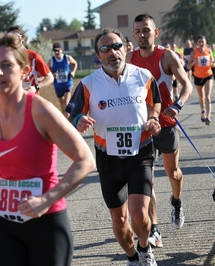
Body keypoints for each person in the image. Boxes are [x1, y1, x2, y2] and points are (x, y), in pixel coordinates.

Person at [0, 32, 95, 266]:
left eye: (7, 65)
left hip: (46, 223)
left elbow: (85, 160)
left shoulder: (41, 111)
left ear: (25, 71)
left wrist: (47, 199)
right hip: (2, 225)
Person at [66, 27, 161, 266]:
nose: (112, 52)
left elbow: (155, 102)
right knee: (119, 220)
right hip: (108, 158)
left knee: (139, 214)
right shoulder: (88, 83)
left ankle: (144, 248)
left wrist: (154, 119)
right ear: (98, 55)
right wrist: (79, 119)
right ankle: (131, 258)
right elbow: (70, 115)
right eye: (105, 49)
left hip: (140, 153)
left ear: (126, 48)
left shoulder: (143, 76)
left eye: (117, 46)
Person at [127, 13, 193, 248]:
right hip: (141, 129)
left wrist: (178, 105)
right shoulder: (128, 58)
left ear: (156, 32)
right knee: (148, 181)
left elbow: (187, 84)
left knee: (173, 172)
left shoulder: (166, 56)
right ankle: (154, 229)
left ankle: (176, 202)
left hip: (165, 125)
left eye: (146, 30)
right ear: (133, 35)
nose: (142, 35)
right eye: (137, 31)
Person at [7, 25, 53, 94]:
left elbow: (50, 77)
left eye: (16, 36)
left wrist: (36, 87)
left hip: (32, 99)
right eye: (11, 37)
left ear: (23, 39)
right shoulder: (5, 58)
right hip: (14, 99)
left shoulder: (34, 56)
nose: (14, 40)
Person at [187, 35, 215, 125]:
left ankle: (208, 117)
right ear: (197, 43)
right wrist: (195, 61)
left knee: (207, 96)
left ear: (206, 42)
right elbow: (188, 66)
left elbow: (213, 63)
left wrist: (212, 64)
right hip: (198, 76)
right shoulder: (194, 52)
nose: (201, 43)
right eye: (200, 42)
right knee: (201, 98)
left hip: (208, 75)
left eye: (203, 42)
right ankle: (203, 111)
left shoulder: (209, 51)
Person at [48, 42, 78, 117]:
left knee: (66, 102)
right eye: (55, 51)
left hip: (68, 84)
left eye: (58, 50)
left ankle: (68, 121)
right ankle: (64, 119)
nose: (56, 52)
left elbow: (75, 63)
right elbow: (47, 70)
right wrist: (52, 74)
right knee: (62, 105)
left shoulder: (67, 58)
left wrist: (73, 72)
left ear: (62, 50)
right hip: (58, 85)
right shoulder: (51, 61)